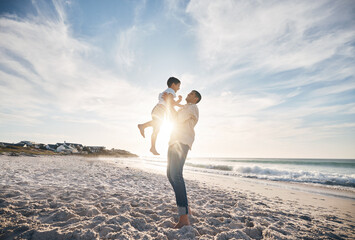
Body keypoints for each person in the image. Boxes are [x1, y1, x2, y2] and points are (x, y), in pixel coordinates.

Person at [163, 90, 202, 228]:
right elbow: (173, 119)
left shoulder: (192, 108)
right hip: (174, 141)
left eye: (191, 94)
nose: (188, 94)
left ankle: (184, 218)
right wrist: (170, 104)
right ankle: (186, 207)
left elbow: (177, 119)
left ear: (196, 98)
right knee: (170, 174)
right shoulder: (185, 107)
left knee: (176, 175)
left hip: (182, 142)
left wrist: (170, 103)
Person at [138, 77, 183, 155]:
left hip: (158, 109)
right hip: (160, 110)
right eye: (178, 86)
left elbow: (171, 102)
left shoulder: (168, 91)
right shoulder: (171, 91)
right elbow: (171, 102)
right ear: (173, 85)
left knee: (156, 130)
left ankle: (152, 147)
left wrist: (178, 101)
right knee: (157, 123)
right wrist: (181, 105)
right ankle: (142, 125)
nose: (179, 88)